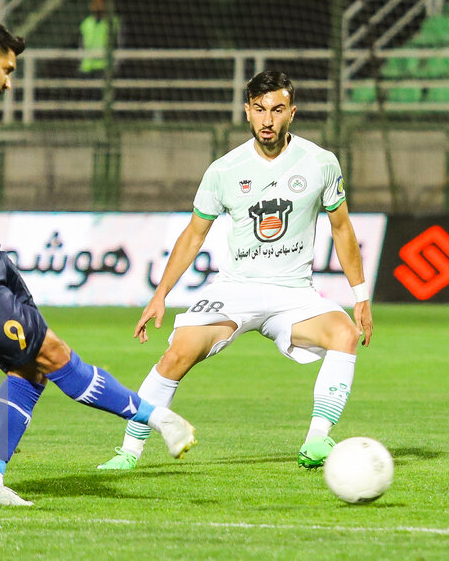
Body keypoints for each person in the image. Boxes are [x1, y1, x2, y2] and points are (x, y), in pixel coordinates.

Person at [0, 16, 196, 508]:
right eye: (6, 70)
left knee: (31, 372)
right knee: (53, 353)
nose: (9, 82)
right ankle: (155, 418)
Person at [97, 70, 374, 472]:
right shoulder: (225, 169)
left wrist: (360, 296)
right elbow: (194, 235)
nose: (267, 119)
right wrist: (160, 295)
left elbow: (342, 227)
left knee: (344, 334)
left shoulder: (320, 163)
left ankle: (317, 441)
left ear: (291, 113)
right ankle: (129, 451)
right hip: (236, 289)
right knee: (178, 354)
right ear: (247, 112)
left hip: (293, 293)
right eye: (259, 109)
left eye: (277, 110)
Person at [78, 0, 119, 77]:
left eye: (100, 2)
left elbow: (121, 44)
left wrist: (116, 65)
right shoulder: (86, 23)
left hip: (106, 68)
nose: (97, 6)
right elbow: (80, 45)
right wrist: (80, 60)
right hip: (87, 69)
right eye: (95, 3)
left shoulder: (113, 22)